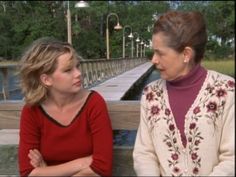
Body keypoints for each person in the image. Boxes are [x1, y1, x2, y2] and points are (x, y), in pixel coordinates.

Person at [133, 10, 235, 176]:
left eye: (160, 53)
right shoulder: (151, 94)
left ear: (186, 54)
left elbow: (232, 158)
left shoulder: (227, 90)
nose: (154, 60)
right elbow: (144, 153)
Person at [18, 37, 113, 176]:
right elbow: (28, 172)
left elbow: (102, 167)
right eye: (68, 70)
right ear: (46, 79)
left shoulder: (94, 103)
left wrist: (45, 171)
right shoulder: (32, 111)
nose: (78, 74)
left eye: (77, 66)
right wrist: (82, 163)